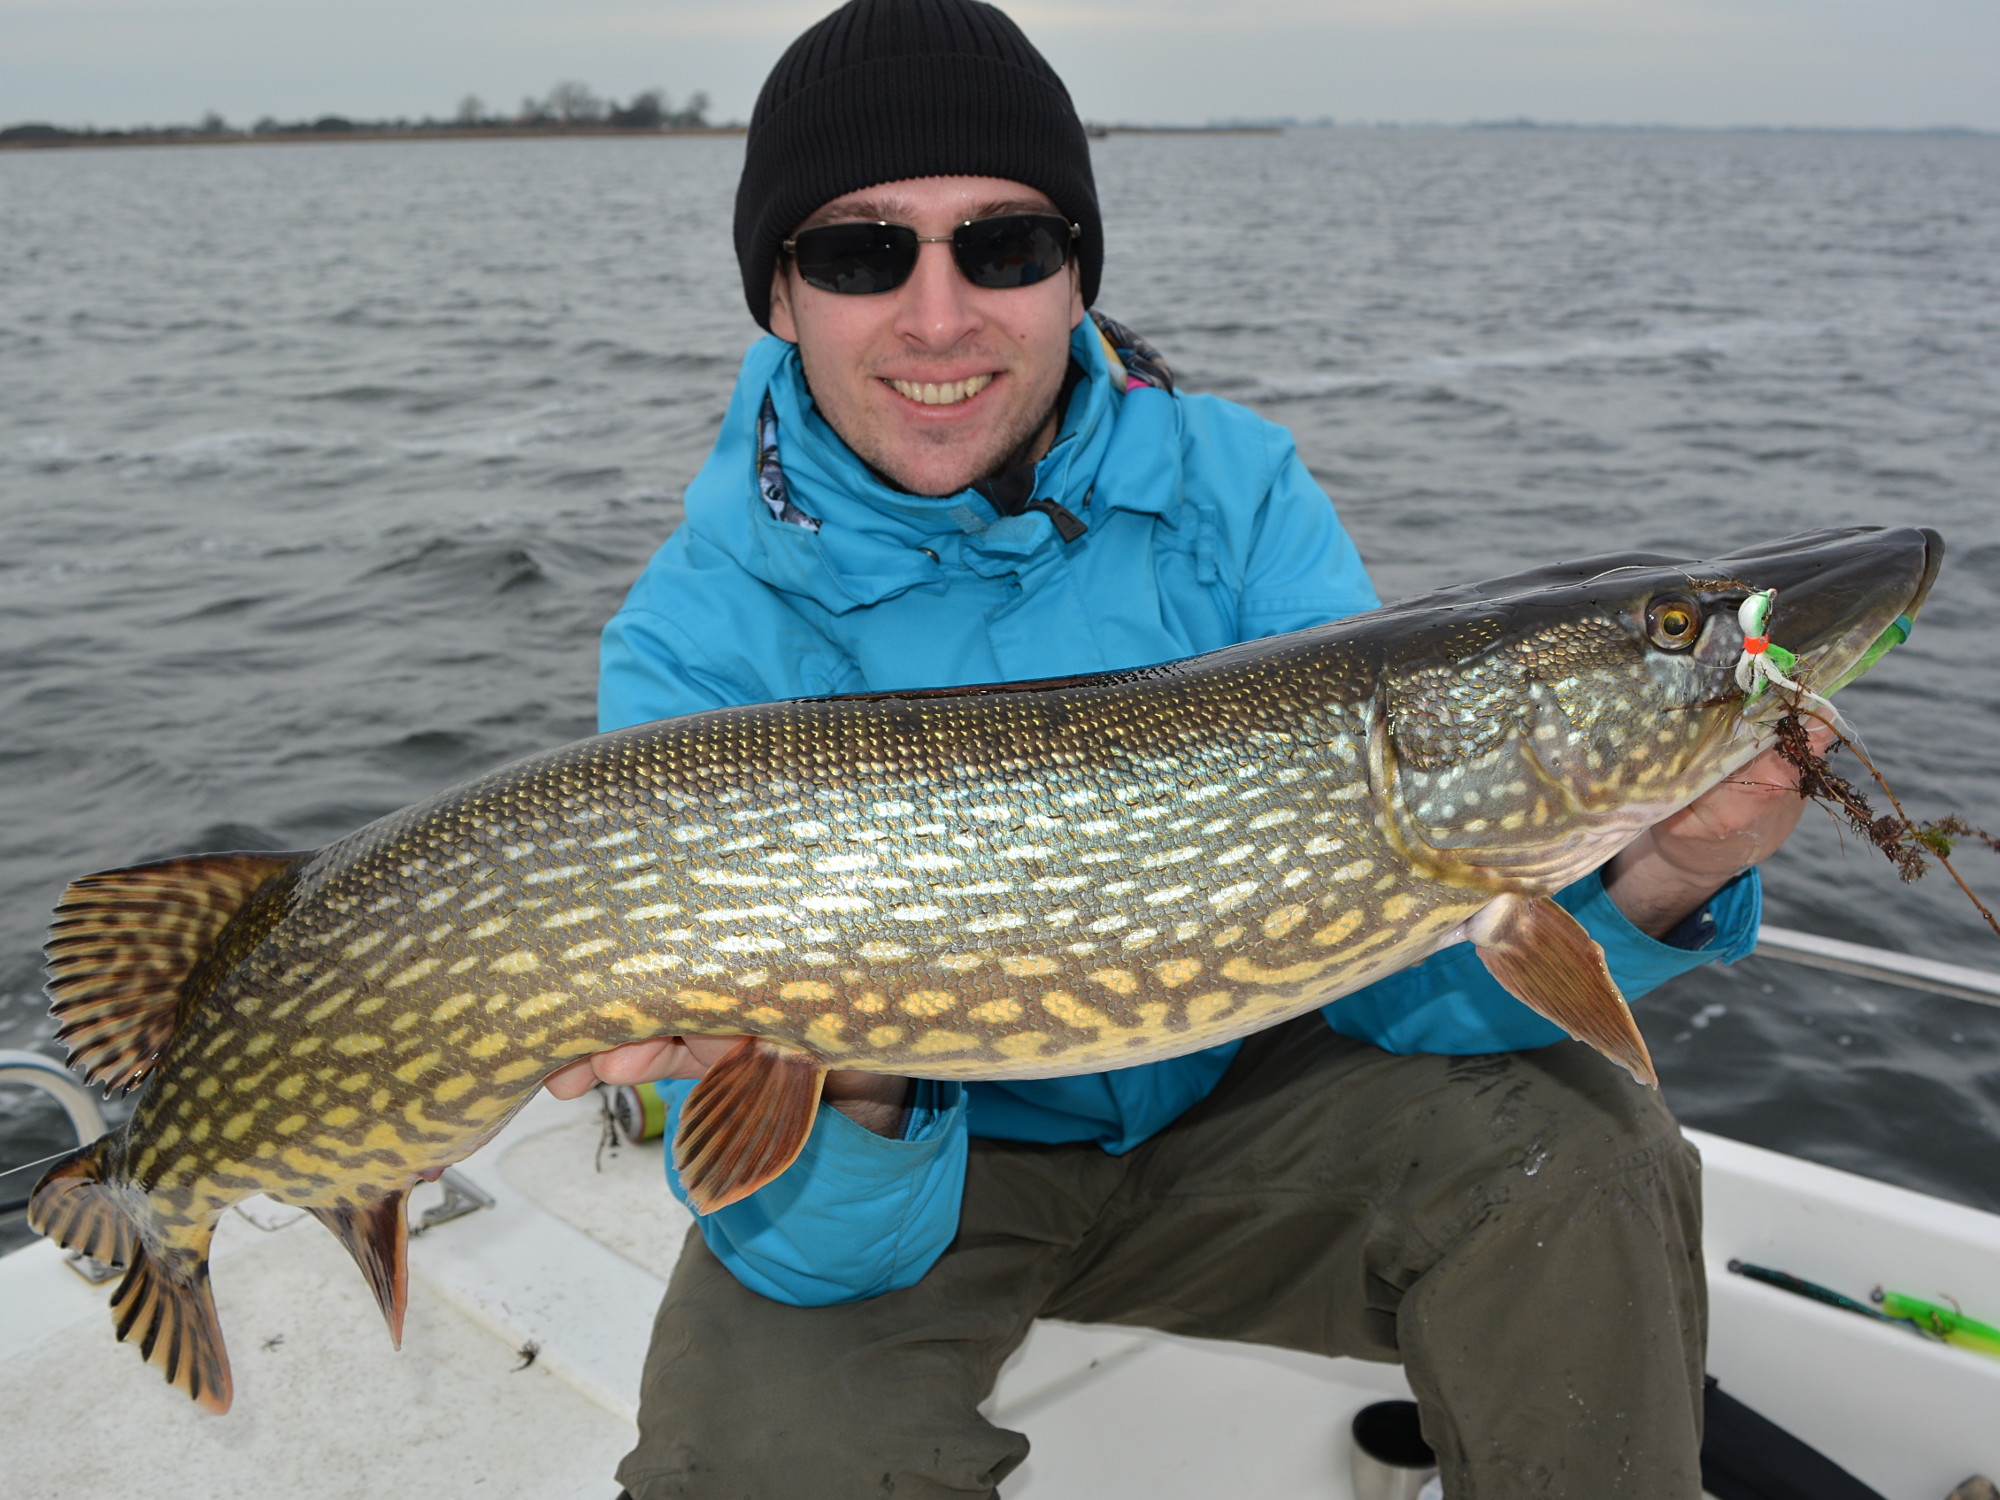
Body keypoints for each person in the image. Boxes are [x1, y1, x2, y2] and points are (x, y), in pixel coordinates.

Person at [545, 2, 1823, 1494]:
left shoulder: (1235, 489)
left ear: (1077, 267)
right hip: (928, 1173)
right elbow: (816, 1248)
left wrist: (1658, 872)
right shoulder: (695, 643)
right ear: (780, 294)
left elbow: (1403, 980)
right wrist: (861, 1079)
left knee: (1589, 1156)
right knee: (755, 1453)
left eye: (1008, 246)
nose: (940, 316)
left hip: (1242, 1104)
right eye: (861, 253)